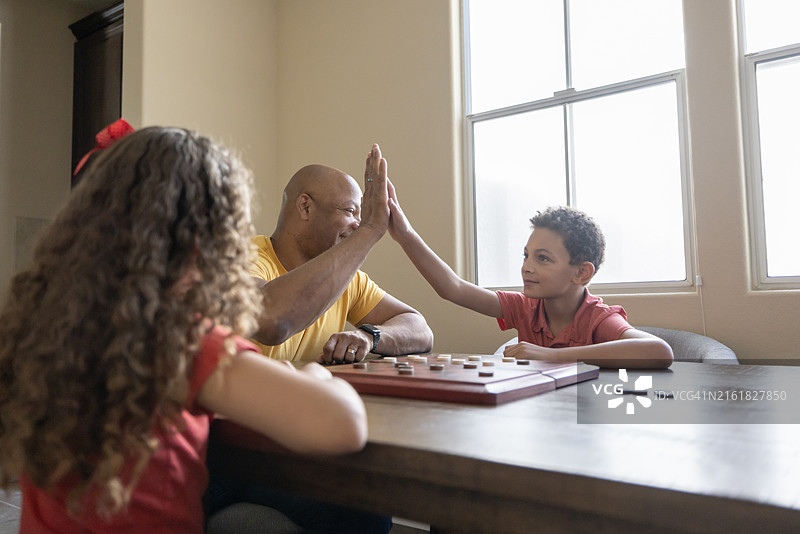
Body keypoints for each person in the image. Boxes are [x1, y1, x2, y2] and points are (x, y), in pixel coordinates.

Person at [0, 126, 369, 533]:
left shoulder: (40, 327)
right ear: (205, 243)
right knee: (360, 511)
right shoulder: (183, 343)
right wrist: (315, 374)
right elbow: (345, 425)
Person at [387, 184, 674, 369]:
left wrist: (550, 355)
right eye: (526, 255)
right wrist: (405, 236)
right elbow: (453, 288)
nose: (527, 267)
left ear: (582, 272)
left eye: (543, 258)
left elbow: (659, 351)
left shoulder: (598, 318)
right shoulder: (526, 308)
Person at [249, 144, 434, 364]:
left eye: (361, 215)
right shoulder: (241, 259)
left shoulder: (347, 278)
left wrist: (369, 336)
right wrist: (370, 230)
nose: (358, 224)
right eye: (350, 211)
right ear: (305, 207)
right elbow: (272, 321)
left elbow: (419, 329)